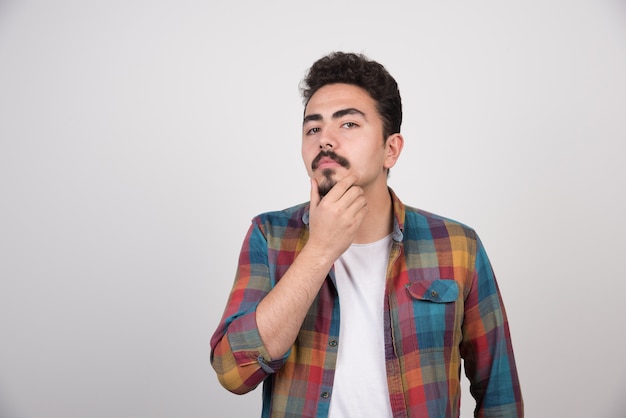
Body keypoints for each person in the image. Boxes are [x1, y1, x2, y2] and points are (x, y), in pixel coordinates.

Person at [210, 51, 523, 417]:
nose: (325, 140)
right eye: (313, 128)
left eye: (348, 125)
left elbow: (499, 394)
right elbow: (234, 372)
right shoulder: (270, 235)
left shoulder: (457, 246)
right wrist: (319, 251)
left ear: (391, 149)